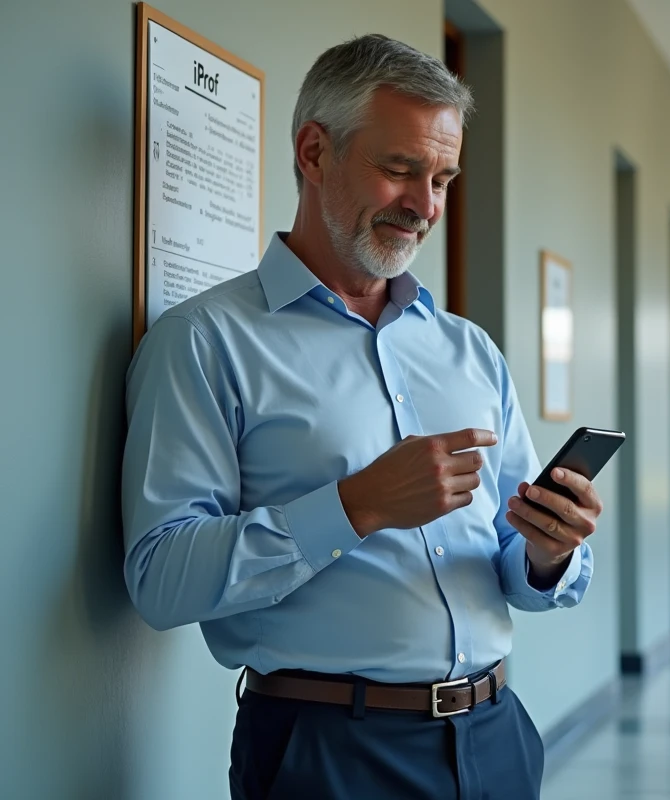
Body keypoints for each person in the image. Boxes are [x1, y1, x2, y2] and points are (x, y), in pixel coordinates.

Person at [122, 34, 602, 799]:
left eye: (442, 177)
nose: (427, 206)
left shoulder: (468, 350)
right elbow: (160, 578)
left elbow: (512, 552)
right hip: (327, 754)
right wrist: (357, 507)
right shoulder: (205, 342)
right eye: (400, 170)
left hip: (498, 737)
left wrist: (548, 550)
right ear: (314, 152)